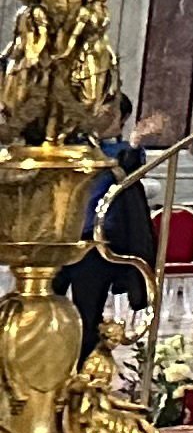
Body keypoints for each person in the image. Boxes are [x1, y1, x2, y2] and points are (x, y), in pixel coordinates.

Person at [61, 96, 168, 353]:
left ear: (121, 121)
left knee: (88, 312)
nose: (103, 118)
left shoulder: (122, 151)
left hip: (95, 242)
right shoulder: (73, 145)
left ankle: (83, 364)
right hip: (62, 238)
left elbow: (128, 167)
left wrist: (136, 140)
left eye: (112, 115)